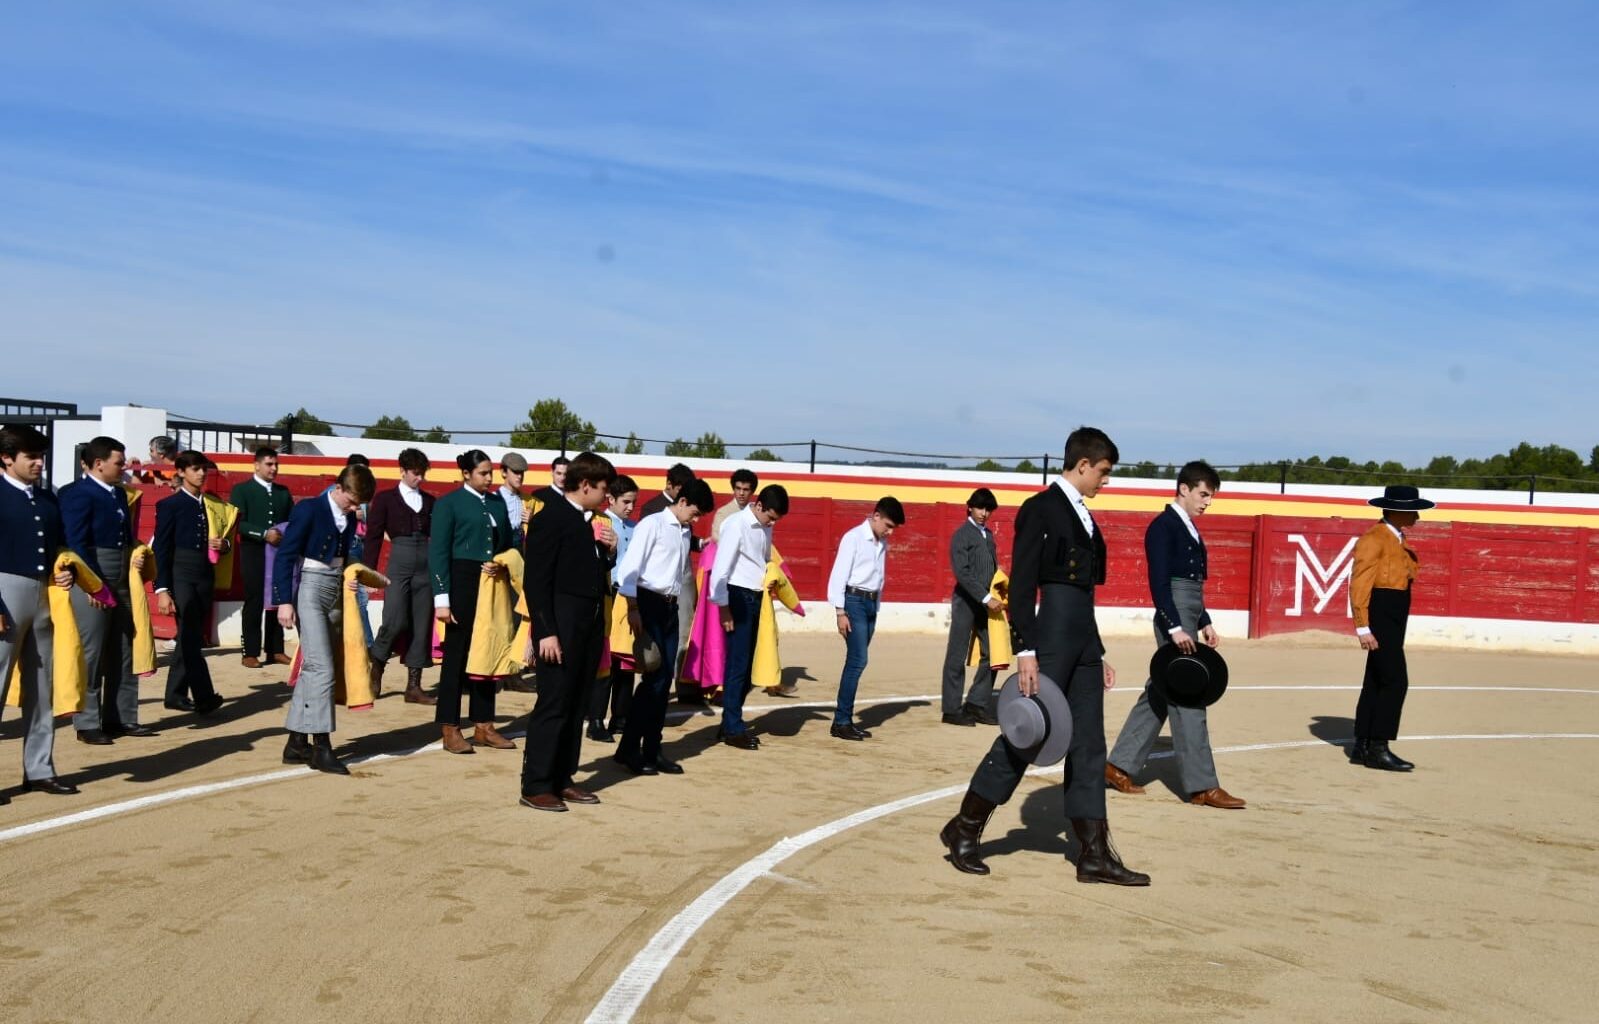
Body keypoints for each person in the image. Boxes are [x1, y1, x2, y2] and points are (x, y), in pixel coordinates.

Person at [939, 427, 1148, 885]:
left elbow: (1082, 594)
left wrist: (1098, 651)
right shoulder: (1042, 509)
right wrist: (1026, 649)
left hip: (1082, 643)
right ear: (1083, 464)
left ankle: (1094, 853)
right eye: (1104, 472)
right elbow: (1024, 584)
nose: (1106, 482)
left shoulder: (1084, 516)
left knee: (1089, 745)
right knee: (1026, 734)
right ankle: (965, 828)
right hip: (1050, 638)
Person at [1105, 461, 1244, 809]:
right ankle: (1202, 786)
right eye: (1203, 494)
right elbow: (1160, 583)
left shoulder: (1187, 527)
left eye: (1210, 497)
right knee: (1189, 692)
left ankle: (1117, 765)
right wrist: (1174, 624)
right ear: (1183, 488)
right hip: (1176, 614)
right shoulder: (1163, 527)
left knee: (1162, 689)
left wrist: (1204, 620)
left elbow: (1194, 587)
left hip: (1188, 611)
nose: (1207, 502)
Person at [519, 452, 617, 811]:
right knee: (554, 702)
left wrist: (607, 553)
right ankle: (536, 783)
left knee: (576, 704)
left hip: (586, 626)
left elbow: (587, 571)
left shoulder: (584, 520)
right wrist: (544, 631)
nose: (607, 496)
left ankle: (562, 777)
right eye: (604, 489)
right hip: (559, 627)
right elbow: (536, 581)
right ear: (586, 485)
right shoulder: (551, 516)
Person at [273, 463, 376, 775]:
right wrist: (284, 601)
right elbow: (286, 554)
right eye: (352, 500)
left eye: (359, 503)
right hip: (311, 589)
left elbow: (344, 556)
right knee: (323, 669)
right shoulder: (310, 509)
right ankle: (321, 745)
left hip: (335, 591)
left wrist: (352, 574)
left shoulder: (344, 514)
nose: (355, 508)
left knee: (313, 669)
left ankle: (295, 743)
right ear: (339, 488)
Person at [613, 478, 714, 776]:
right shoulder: (652, 524)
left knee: (663, 680)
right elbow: (631, 568)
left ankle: (649, 748)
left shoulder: (684, 531)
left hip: (669, 606)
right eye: (695, 513)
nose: (695, 520)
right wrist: (633, 608)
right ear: (682, 502)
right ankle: (632, 748)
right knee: (653, 679)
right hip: (648, 603)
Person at [0, 424, 80, 796]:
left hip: (43, 594)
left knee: (42, 687)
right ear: (6, 457)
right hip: (4, 592)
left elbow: (61, 548)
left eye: (40, 456)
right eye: (30, 457)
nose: (38, 463)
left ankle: (39, 769)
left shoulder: (47, 500)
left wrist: (65, 570)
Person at [59, 436, 155, 743]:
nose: (124, 466)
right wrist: (89, 583)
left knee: (124, 648)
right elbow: (76, 542)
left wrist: (136, 555)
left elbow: (124, 539)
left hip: (121, 577)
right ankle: (87, 723)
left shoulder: (118, 494)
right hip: (92, 579)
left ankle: (121, 717)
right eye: (118, 461)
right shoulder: (76, 493)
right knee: (92, 652)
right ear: (99, 464)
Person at [429, 450, 516, 755]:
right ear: (466, 474)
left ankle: (484, 724)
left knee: (486, 653)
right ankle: (450, 727)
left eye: (491, 472)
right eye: (483, 473)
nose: (489, 478)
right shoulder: (448, 503)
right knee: (456, 655)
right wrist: (442, 599)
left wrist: (503, 562)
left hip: (491, 584)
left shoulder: (496, 502)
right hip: (461, 581)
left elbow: (509, 544)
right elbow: (438, 552)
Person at [1349, 485, 1434, 772]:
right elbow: (1360, 583)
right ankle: (1378, 747)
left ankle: (1362, 744)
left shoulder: (1394, 537)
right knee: (1395, 681)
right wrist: (1363, 625)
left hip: (1393, 610)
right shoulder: (1375, 538)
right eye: (1412, 510)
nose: (1418, 516)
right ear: (1396, 511)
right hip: (1383, 611)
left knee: (1376, 677)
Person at [706, 484, 788, 749]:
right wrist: (723, 607)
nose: (772, 522)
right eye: (771, 517)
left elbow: (764, 560)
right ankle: (732, 727)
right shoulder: (736, 524)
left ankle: (729, 724)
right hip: (738, 597)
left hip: (755, 598)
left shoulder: (765, 525)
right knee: (738, 666)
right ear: (760, 505)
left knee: (748, 665)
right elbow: (720, 569)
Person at [152, 451, 227, 717]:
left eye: (203, 469)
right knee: (190, 637)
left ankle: (174, 695)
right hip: (180, 573)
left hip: (204, 574)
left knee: (190, 636)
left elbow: (224, 538)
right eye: (195, 469)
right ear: (181, 472)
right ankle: (204, 696)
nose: (201, 473)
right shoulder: (169, 505)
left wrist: (224, 544)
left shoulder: (211, 504)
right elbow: (161, 549)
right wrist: (162, 589)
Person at [826, 496, 904, 741]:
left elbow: (878, 578)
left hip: (869, 604)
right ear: (876, 516)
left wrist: (876, 607)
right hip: (854, 602)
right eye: (888, 525)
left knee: (856, 660)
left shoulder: (880, 542)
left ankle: (843, 720)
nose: (890, 532)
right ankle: (841, 721)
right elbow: (839, 575)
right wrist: (840, 612)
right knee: (858, 660)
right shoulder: (854, 538)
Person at [366, 447, 438, 704]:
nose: (420, 478)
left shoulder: (430, 501)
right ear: (403, 471)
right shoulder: (385, 499)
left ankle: (413, 686)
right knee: (395, 619)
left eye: (422, 474)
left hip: (425, 563)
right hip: (399, 559)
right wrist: (368, 571)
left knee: (421, 623)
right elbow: (373, 537)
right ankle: (377, 665)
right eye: (416, 474)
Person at [940, 487, 1002, 727]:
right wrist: (986, 598)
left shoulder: (988, 535)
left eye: (988, 510)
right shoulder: (962, 535)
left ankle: (976, 703)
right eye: (980, 508)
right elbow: (962, 574)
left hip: (987, 602)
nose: (984, 513)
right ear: (970, 507)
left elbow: (991, 570)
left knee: (994, 652)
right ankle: (951, 709)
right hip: (967, 601)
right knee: (957, 653)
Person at [229, 446, 295, 670]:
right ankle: (250, 651)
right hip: (254, 551)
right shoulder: (242, 490)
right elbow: (238, 523)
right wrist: (264, 533)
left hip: (278, 552)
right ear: (256, 465)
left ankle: (275, 650)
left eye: (276, 464)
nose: (274, 468)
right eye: (269, 464)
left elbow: (291, 521)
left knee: (278, 597)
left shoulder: (283, 492)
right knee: (255, 598)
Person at [588, 475, 639, 742]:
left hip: (630, 598)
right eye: (626, 502)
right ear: (611, 499)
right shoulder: (599, 523)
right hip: (608, 596)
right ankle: (596, 719)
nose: (630, 507)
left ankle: (620, 716)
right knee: (605, 662)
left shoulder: (636, 527)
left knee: (626, 663)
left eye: (633, 502)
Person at [712, 467, 759, 535]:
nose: (741, 493)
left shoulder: (757, 513)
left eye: (745, 489)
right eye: (738, 488)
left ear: (752, 491)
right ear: (733, 489)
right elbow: (717, 537)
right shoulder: (723, 513)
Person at [499, 452, 529, 547]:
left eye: (521, 472)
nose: (520, 476)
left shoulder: (528, 500)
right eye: (515, 472)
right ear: (503, 472)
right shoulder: (493, 499)